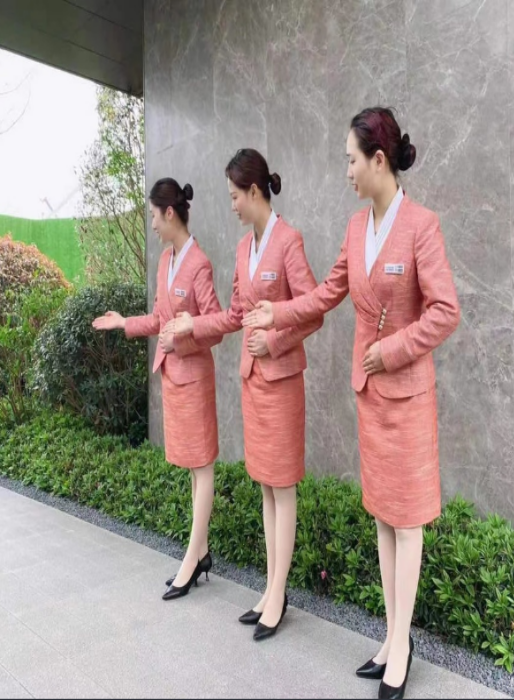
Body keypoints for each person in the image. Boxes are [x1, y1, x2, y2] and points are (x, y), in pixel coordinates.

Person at [243, 108, 461, 698]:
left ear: (378, 161)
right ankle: (391, 639)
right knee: (384, 518)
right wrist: (276, 312)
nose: (346, 171)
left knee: (407, 523)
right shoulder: (355, 227)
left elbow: (446, 311)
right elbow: (324, 295)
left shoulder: (422, 226)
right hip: (371, 398)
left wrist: (392, 350)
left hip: (407, 399)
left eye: (350, 159)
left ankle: (402, 646)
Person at [171, 149, 322, 641]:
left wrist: (274, 341)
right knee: (265, 486)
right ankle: (271, 588)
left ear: (254, 191)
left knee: (283, 486)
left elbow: (313, 311)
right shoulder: (243, 249)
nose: (232, 204)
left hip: (282, 382)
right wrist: (194, 324)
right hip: (253, 383)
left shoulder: (289, 241)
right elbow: (235, 315)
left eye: (235, 196)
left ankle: (278, 593)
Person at [93, 177, 223, 601]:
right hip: (174, 380)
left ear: (170, 213)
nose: (151, 224)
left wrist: (180, 338)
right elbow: (158, 319)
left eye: (153, 215)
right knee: (192, 468)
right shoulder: (166, 261)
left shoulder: (199, 264)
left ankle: (191, 560)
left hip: (195, 379)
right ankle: (201, 552)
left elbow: (215, 325)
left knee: (203, 468)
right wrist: (124, 323)